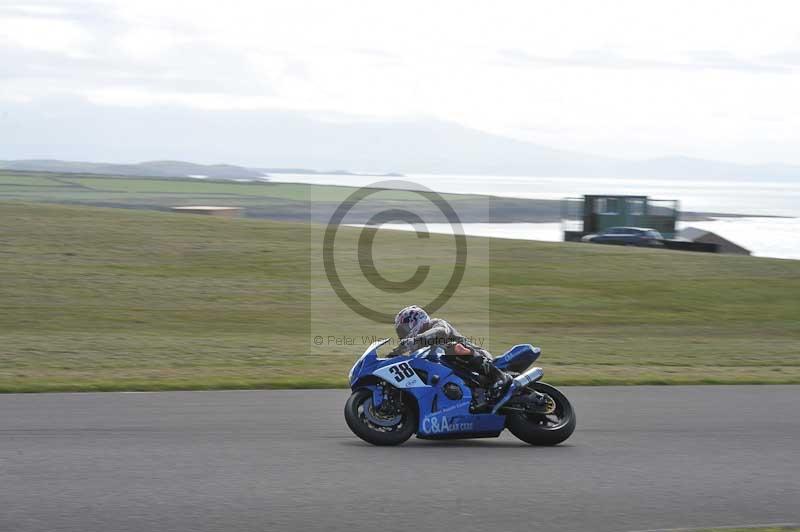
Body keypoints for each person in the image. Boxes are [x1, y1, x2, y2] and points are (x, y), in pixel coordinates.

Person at [391, 305, 511, 399]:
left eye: (404, 329)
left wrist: (416, 338)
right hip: (456, 375)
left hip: (478, 358)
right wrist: (392, 356)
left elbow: (441, 331)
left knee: (454, 348)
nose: (402, 334)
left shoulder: (436, 324)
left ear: (416, 322)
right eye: (400, 331)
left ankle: (499, 376)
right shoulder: (416, 347)